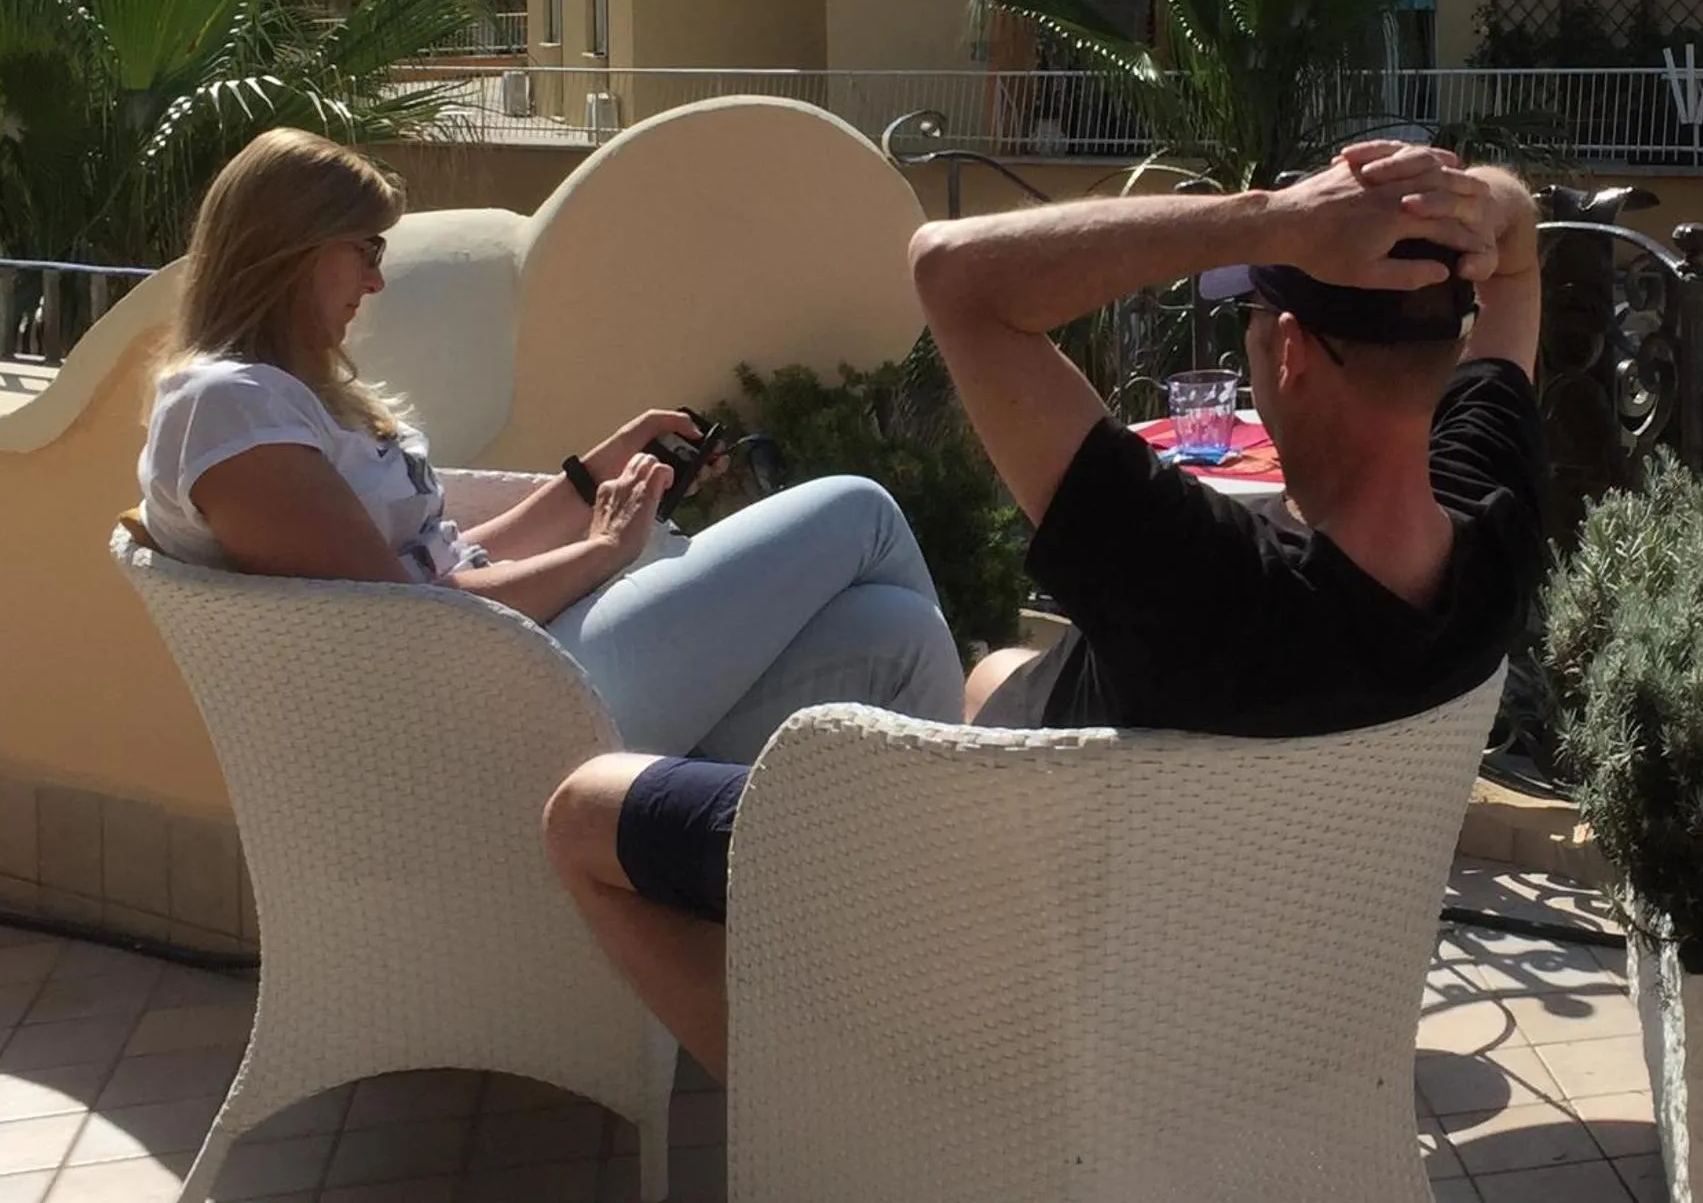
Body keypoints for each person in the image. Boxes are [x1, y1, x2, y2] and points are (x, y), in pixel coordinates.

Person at [541, 141, 1548, 1080]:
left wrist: (1272, 219)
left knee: (585, 809)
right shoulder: (1488, 526)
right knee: (988, 674)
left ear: (1287, 349)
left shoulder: (1199, 578)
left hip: (1007, 960)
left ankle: (836, 1107)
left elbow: (953, 271)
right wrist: (1458, 202)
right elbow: (1520, 253)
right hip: (1201, 988)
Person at [137, 127, 964, 765]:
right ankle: (989, 829)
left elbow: (443, 565)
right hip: (500, 711)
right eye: (364, 251)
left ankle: (935, 883)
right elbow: (410, 619)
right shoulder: (229, 408)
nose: (376, 281)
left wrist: (593, 475)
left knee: (896, 632)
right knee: (861, 509)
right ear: (290, 251)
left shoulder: (283, 400)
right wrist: (603, 550)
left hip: (513, 668)